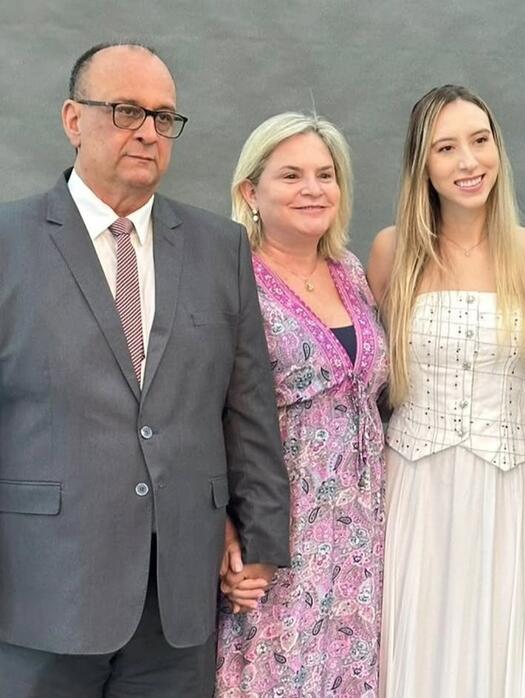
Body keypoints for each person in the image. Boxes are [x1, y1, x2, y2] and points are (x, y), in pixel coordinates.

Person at [0, 42, 290, 697]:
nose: (148, 132)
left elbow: (248, 406)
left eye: (163, 117)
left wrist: (262, 536)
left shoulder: (219, 248)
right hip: (41, 594)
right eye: (126, 111)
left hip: (177, 598)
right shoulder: (9, 242)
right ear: (74, 120)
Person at [368, 85, 525, 698]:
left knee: (502, 645)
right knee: (416, 639)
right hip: (416, 483)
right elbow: (370, 377)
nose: (468, 161)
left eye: (480, 141)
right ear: (422, 164)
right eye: (446, 147)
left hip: (511, 484)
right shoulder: (392, 251)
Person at [215, 112, 388, 697]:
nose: (313, 189)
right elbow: (200, 413)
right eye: (291, 175)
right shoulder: (231, 279)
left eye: (325, 174)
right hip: (276, 527)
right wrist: (227, 530)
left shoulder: (350, 272)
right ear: (250, 192)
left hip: (361, 529)